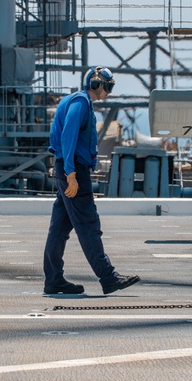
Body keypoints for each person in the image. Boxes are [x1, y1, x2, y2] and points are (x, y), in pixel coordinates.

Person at [43, 66, 140, 296]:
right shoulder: (81, 102)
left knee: (59, 228)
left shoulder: (76, 101)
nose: (109, 91)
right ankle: (108, 277)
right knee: (88, 225)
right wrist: (71, 174)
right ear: (96, 84)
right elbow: (68, 137)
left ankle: (54, 279)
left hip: (68, 167)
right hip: (74, 169)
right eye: (108, 86)